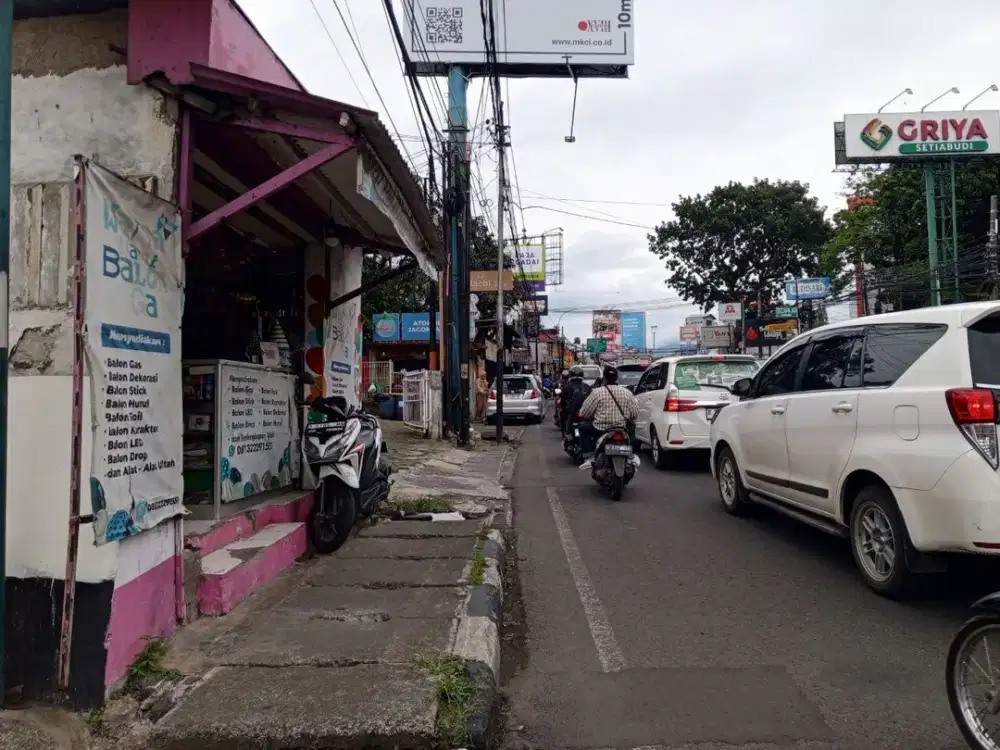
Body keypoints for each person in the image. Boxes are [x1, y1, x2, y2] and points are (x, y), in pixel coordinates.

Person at [576, 364, 640, 461]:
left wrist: (588, 416)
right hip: (622, 428)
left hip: (600, 429)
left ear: (604, 378)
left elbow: (585, 412)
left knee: (581, 428)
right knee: (634, 436)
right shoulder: (627, 392)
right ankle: (630, 456)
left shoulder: (597, 392)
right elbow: (635, 413)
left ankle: (588, 456)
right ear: (616, 378)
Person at [560, 366, 592, 436]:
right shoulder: (587, 387)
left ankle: (566, 434)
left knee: (563, 415)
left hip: (573, 414)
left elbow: (562, 401)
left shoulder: (567, 387)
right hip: (584, 413)